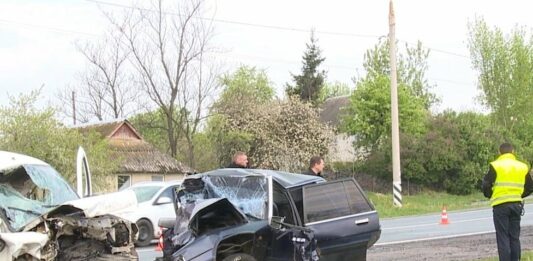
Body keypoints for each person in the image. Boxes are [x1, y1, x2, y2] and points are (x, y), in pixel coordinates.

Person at [482, 142, 533, 261]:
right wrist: (519, 195)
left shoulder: (496, 165)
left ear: (499, 152)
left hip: (500, 205)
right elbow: (530, 186)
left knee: (503, 237)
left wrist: (490, 195)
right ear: (513, 152)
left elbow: (486, 184)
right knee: (514, 238)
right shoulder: (522, 166)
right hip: (516, 204)